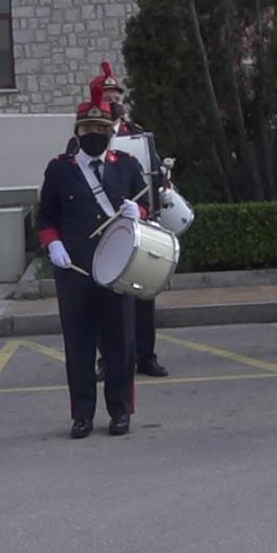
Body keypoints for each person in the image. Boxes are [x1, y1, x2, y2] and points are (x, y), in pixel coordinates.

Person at [37, 83, 146, 438]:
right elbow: (46, 219)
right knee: (79, 345)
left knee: (121, 344)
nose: (95, 135)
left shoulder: (126, 166)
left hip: (118, 268)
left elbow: (147, 206)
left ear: (110, 133)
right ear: (77, 132)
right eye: (88, 130)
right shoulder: (59, 169)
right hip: (76, 270)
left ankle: (120, 411)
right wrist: (53, 245)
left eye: (101, 130)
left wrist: (138, 212)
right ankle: (81, 414)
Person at [91, 62, 169, 378]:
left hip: (137, 223)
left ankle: (145, 356)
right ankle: (107, 359)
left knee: (142, 292)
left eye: (117, 95)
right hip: (104, 229)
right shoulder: (85, 136)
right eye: (108, 96)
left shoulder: (138, 134)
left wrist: (161, 184)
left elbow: (153, 172)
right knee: (105, 299)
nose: (114, 101)